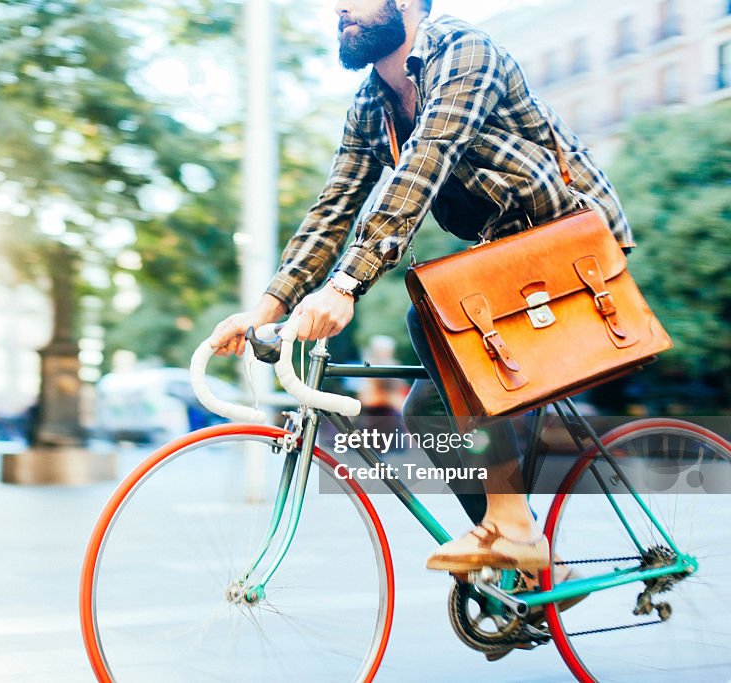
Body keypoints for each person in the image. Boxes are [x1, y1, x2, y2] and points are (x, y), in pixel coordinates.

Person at [210, 0, 633, 576]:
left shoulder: (464, 52)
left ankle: (512, 525)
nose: (338, 8)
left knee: (430, 314)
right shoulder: (370, 104)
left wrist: (346, 286)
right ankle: (533, 565)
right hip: (505, 253)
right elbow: (334, 208)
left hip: (573, 238)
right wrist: (262, 311)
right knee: (430, 411)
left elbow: (425, 165)